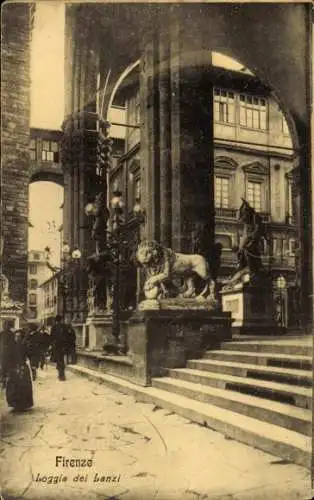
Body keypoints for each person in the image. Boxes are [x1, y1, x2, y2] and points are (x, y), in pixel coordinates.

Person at [1, 324, 33, 411]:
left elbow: (29, 355)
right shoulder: (11, 346)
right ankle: (14, 404)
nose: (17, 337)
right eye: (16, 336)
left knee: (23, 386)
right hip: (13, 368)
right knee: (13, 387)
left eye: (19, 336)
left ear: (21, 337)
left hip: (22, 367)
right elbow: (7, 357)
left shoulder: (24, 345)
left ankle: (23, 404)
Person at [50, 315, 67, 381]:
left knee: (58, 360)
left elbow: (51, 337)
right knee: (61, 360)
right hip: (62, 346)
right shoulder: (64, 326)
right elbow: (66, 337)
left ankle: (60, 375)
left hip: (56, 346)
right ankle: (62, 375)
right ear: (61, 320)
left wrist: (52, 344)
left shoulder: (54, 327)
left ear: (56, 320)